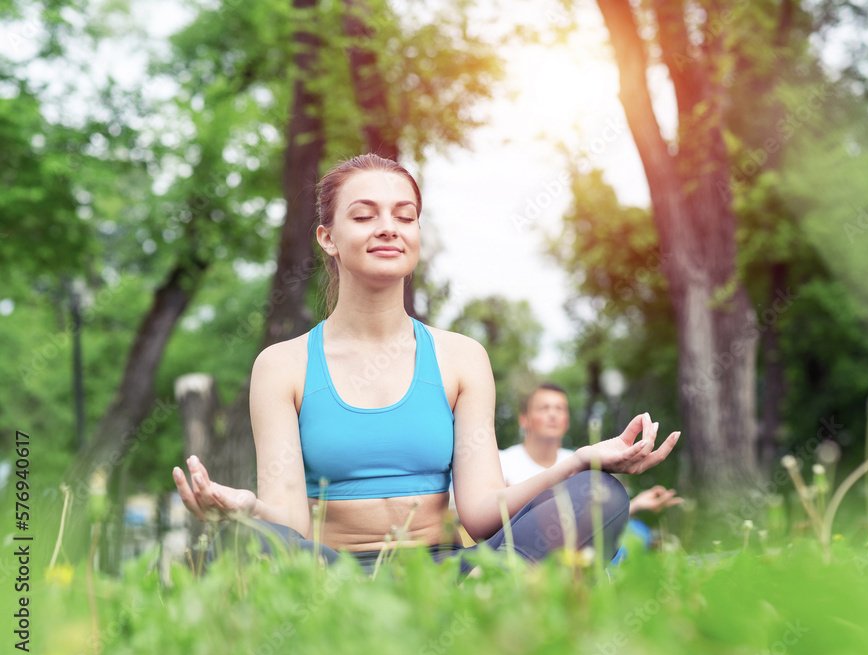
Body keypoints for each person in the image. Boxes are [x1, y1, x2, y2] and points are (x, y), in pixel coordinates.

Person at [171, 154, 680, 575]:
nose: (388, 228)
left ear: (417, 232)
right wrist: (248, 510)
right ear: (328, 237)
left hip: (448, 571)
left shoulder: (460, 358)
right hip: (331, 575)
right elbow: (289, 524)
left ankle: (472, 597)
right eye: (365, 215)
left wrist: (578, 461)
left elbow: (483, 516)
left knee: (598, 494)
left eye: (404, 215)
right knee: (243, 541)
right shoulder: (281, 366)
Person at [499, 382, 682, 561]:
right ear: (523, 419)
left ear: (567, 421)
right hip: (526, 548)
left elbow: (591, 517)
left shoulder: (580, 459)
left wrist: (634, 505)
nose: (553, 414)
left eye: (560, 408)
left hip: (579, 545)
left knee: (637, 530)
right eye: (544, 408)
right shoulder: (503, 461)